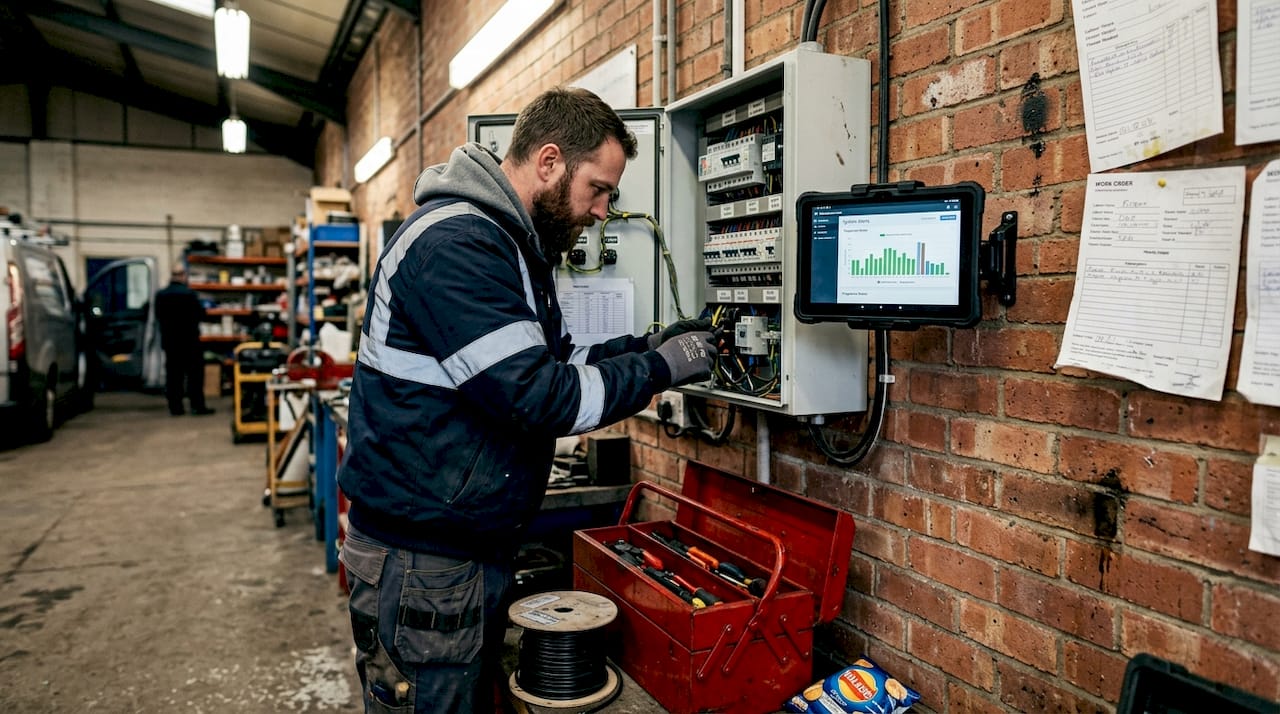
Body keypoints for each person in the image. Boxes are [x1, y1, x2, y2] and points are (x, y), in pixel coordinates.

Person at [336, 87, 716, 712]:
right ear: (549, 161)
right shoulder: (457, 245)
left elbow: (556, 363)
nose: (603, 211)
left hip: (455, 554)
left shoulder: (509, 245)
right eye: (598, 188)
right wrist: (659, 370)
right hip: (422, 565)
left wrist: (649, 344)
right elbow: (540, 397)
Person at [153, 262, 214, 416]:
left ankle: (175, 407)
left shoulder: (161, 295)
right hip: (190, 341)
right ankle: (197, 406)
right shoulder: (189, 294)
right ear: (183, 276)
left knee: (173, 376)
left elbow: (158, 316)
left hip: (170, 342)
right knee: (194, 375)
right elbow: (201, 314)